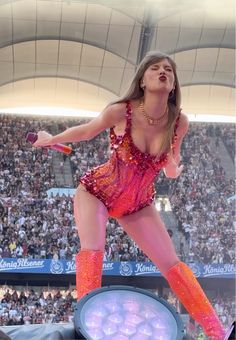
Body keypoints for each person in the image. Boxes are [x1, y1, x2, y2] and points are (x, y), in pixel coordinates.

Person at [33, 51, 226, 339]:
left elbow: (172, 162)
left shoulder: (179, 121)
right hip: (97, 192)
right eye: (155, 68)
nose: (163, 72)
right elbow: (86, 131)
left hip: (137, 203)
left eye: (169, 70)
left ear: (173, 85)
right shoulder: (121, 111)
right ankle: (84, 330)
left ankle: (217, 332)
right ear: (143, 80)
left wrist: (173, 171)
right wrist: (52, 140)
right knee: (93, 252)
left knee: (173, 265)